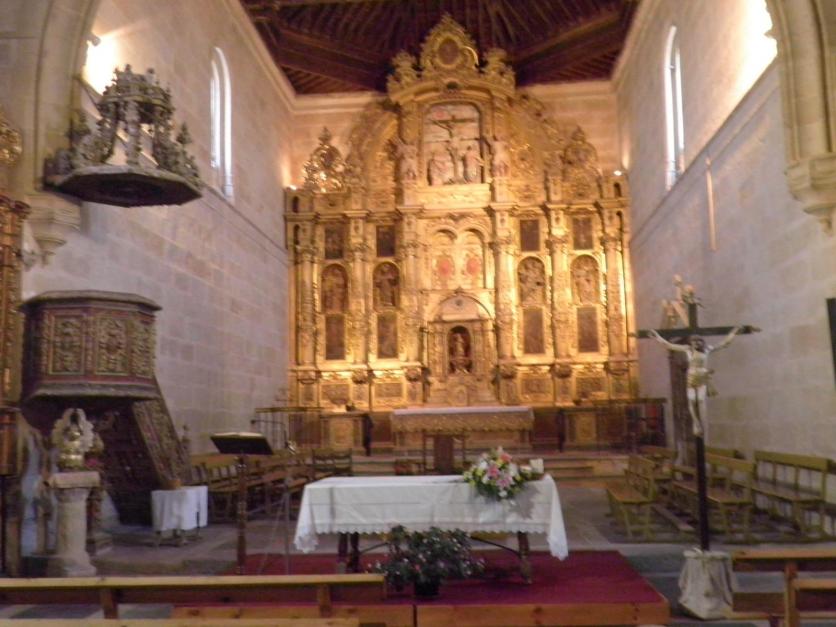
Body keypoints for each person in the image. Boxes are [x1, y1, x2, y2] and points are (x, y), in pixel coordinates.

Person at [647, 327, 742, 437]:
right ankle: (696, 423)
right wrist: (656, 337)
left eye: (698, 341)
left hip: (702, 377)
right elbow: (668, 345)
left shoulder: (706, 350)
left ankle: (702, 425)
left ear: (702, 342)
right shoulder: (688, 350)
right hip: (691, 378)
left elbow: (723, 344)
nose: (696, 343)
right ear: (691, 343)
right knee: (691, 401)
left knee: (701, 401)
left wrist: (733, 333)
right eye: (694, 342)